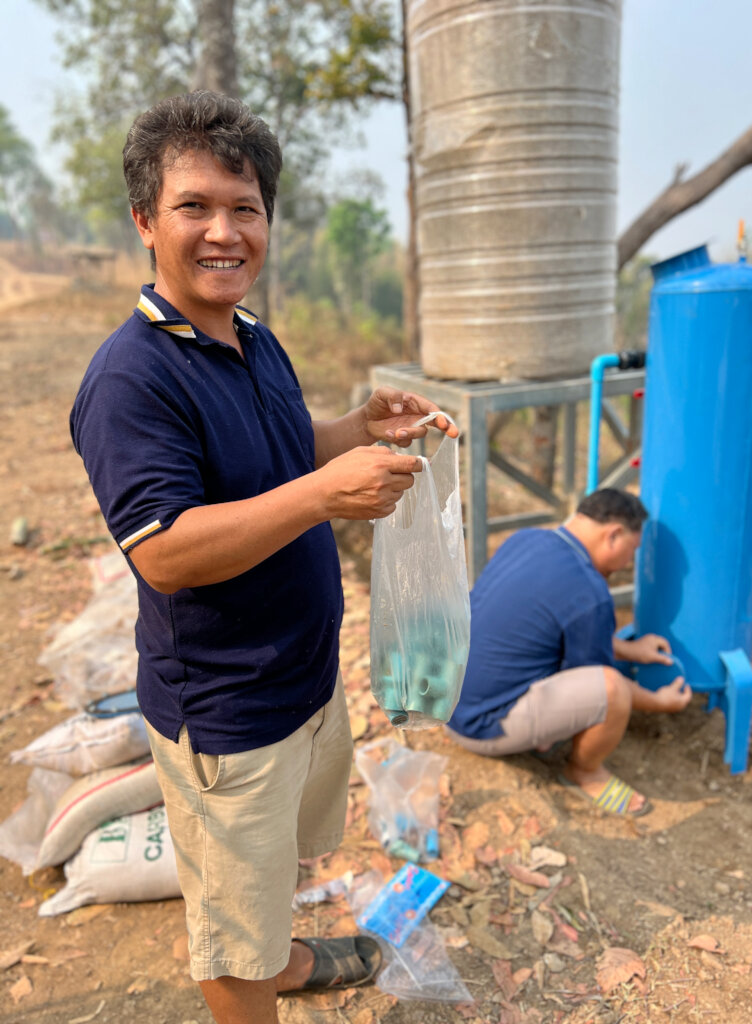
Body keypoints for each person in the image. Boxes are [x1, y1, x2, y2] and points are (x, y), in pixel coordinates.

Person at [70, 90, 458, 1024]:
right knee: (229, 928)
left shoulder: (251, 337)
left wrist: (356, 430)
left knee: (270, 869)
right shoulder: (131, 379)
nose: (224, 232)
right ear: (145, 221)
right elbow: (166, 552)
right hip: (227, 709)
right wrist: (323, 496)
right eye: (194, 207)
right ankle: (256, 977)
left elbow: (286, 453)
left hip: (302, 680)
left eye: (244, 208)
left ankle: (278, 958)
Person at [446, 488, 692, 818]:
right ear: (614, 535)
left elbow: (547, 626)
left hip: (447, 701)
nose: (628, 563)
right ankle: (585, 773)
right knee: (613, 690)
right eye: (632, 550)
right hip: (480, 726)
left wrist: (631, 650)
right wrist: (658, 702)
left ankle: (545, 735)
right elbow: (602, 685)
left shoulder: (527, 539)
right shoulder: (590, 590)